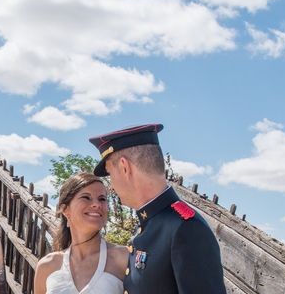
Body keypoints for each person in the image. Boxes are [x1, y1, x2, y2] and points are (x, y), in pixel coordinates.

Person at [89, 123, 226, 294]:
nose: (111, 186)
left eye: (110, 173)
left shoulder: (186, 228)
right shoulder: (152, 225)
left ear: (125, 167)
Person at [34, 171, 128, 294]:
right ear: (65, 210)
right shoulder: (47, 266)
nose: (96, 204)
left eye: (102, 199)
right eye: (86, 197)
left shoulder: (124, 258)